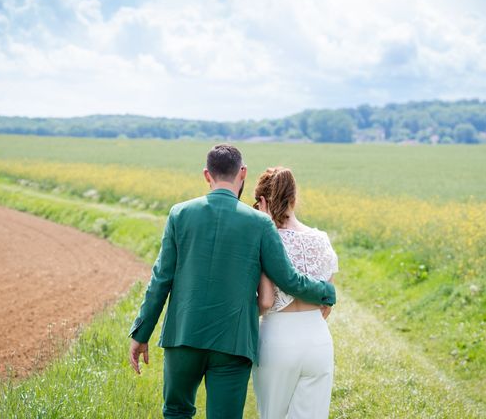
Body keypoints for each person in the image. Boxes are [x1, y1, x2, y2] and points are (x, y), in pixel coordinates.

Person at [128, 144, 336, 419]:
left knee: (177, 412)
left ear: (207, 175)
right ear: (243, 173)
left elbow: (161, 279)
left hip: (184, 335)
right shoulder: (260, 224)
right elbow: (288, 279)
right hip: (234, 343)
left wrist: (141, 333)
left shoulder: (180, 213)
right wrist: (326, 291)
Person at [252, 166, 338, 419]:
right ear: (293, 198)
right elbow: (326, 305)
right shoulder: (321, 239)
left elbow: (266, 301)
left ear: (262, 202)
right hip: (318, 340)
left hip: (277, 340)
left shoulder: (266, 240)